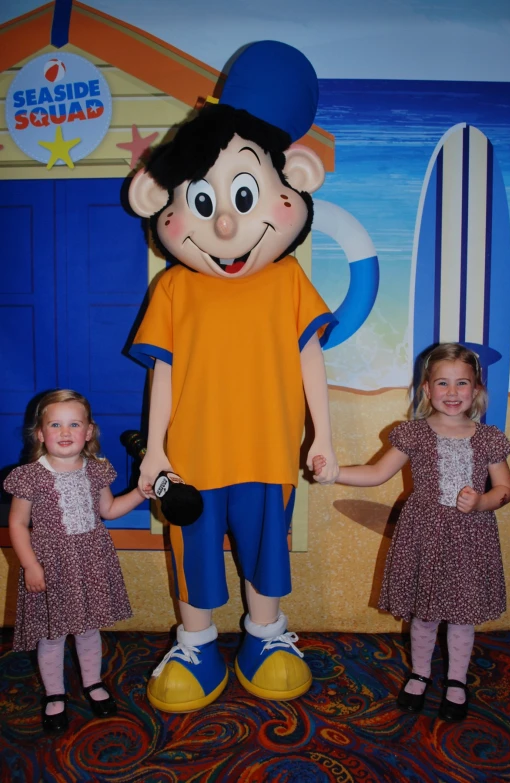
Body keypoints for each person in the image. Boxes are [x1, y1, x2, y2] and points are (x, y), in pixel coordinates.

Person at [128, 41, 338, 713]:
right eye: (203, 198)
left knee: (265, 549)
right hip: (190, 458)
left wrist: (322, 435)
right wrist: (156, 448)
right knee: (193, 552)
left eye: (244, 195)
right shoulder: (173, 292)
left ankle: (266, 633)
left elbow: (311, 359)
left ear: (292, 182)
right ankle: (195, 642)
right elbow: (162, 374)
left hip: (267, 453)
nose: (223, 221)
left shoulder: (288, 283)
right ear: (161, 202)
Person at [313, 343, 510, 721]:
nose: (452, 392)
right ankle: (419, 673)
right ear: (426, 389)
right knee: (424, 613)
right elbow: (376, 474)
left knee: (462, 615)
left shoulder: (489, 438)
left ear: (476, 390)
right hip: (424, 534)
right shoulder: (413, 434)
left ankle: (456, 680)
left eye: (462, 383)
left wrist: (482, 502)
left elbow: (505, 489)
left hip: (471, 538)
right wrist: (335, 473)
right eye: (442, 383)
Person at [4, 389, 145, 734]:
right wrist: (30, 565)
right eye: (55, 424)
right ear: (40, 433)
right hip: (49, 564)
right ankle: (55, 693)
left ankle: (93, 683)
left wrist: (141, 492)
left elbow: (108, 510)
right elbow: (18, 524)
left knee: (87, 628)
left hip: (90, 561)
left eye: (74, 424)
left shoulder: (96, 470)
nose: (65, 432)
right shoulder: (29, 476)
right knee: (52, 635)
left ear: (89, 431)